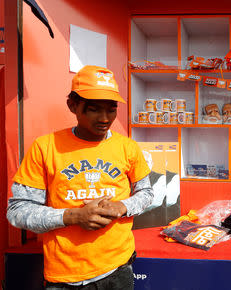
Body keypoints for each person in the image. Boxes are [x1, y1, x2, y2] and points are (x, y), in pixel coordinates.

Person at [7, 65, 154, 289]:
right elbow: (18, 211)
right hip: (64, 275)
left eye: (111, 109)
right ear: (73, 105)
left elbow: (146, 193)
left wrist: (121, 206)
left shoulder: (128, 148)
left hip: (118, 269)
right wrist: (74, 217)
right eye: (94, 109)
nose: (105, 118)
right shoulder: (45, 148)